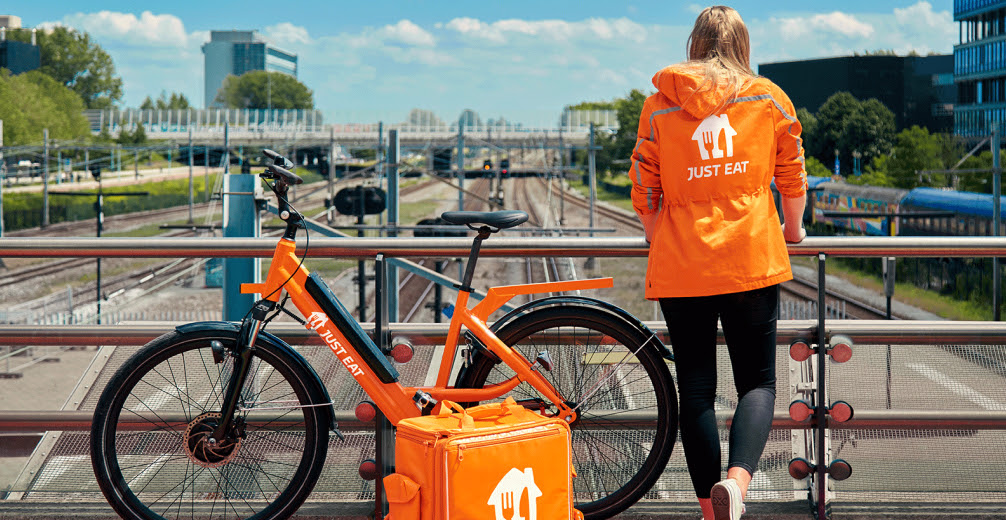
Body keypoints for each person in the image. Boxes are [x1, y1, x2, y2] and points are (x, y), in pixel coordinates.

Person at [628, 6, 807, 520]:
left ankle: (711, 511)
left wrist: (661, 239)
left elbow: (645, 188)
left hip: (684, 264)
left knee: (698, 391)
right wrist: (793, 230)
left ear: (694, 43)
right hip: (750, 256)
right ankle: (738, 481)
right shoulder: (768, 98)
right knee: (757, 382)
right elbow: (792, 176)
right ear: (743, 46)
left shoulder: (659, 106)